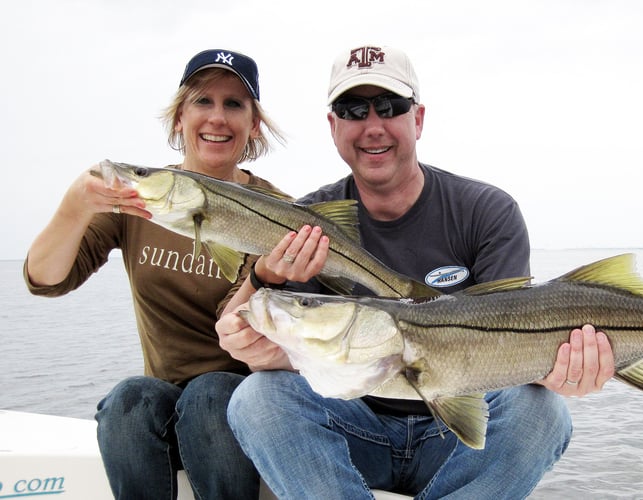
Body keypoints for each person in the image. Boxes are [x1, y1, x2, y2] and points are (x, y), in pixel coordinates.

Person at [217, 44, 615, 498]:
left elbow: (512, 342)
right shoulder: (308, 222)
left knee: (541, 411)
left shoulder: (486, 211)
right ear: (333, 126)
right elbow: (304, 347)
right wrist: (265, 350)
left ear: (418, 118)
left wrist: (560, 367)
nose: (372, 127)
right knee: (257, 399)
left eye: (389, 107)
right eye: (352, 109)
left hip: (459, 440)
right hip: (352, 427)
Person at [24, 49, 284, 499]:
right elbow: (44, 278)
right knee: (126, 401)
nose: (217, 118)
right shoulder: (138, 197)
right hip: (163, 404)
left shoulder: (279, 212)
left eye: (234, 104)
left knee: (209, 395)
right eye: (203, 101)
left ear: (254, 124)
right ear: (179, 117)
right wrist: (75, 205)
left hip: (242, 407)